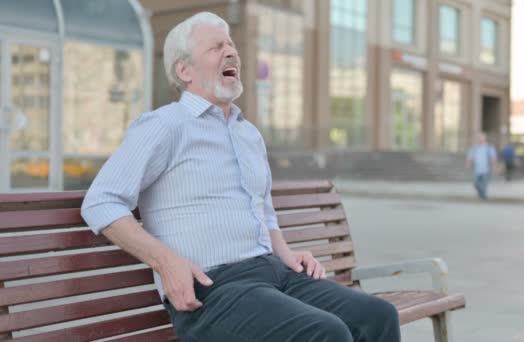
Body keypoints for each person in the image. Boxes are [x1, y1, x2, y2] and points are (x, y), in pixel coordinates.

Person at [81, 12, 400, 342]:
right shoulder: (165, 125)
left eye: (231, 44)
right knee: (326, 333)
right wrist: (166, 263)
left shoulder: (248, 134)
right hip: (211, 289)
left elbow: (263, 209)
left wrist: (286, 254)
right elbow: (101, 201)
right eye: (216, 47)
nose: (231, 52)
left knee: (377, 317)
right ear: (184, 70)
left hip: (273, 273)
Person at [466, 133, 497, 200]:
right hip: (476, 169)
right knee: (476, 183)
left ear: (484, 139)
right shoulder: (474, 148)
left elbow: (493, 159)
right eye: (479, 138)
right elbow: (470, 158)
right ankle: (481, 194)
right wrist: (468, 165)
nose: (480, 139)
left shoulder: (489, 148)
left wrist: (494, 167)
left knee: (484, 184)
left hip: (486, 170)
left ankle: (483, 196)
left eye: (481, 138)